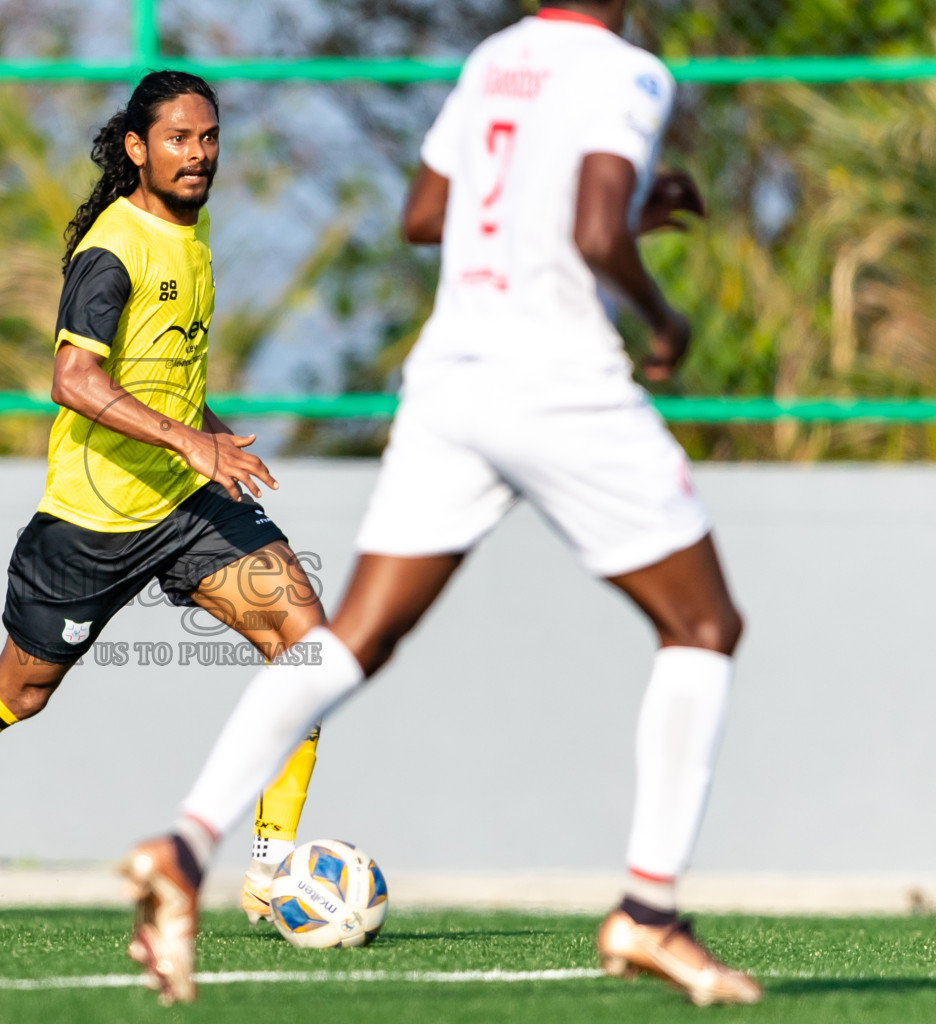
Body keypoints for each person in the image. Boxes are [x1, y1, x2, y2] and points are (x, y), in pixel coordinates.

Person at [123, 0, 762, 1007]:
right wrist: (663, 312)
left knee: (352, 639)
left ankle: (187, 840)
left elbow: (428, 216)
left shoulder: (496, 58)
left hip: (452, 380)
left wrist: (616, 222)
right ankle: (649, 912)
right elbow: (593, 227)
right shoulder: (628, 71)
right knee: (704, 624)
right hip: (559, 381)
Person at [0, 70, 327, 932]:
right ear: (137, 148)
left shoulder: (195, 233)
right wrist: (186, 439)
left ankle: (273, 871)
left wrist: (207, 431)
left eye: (209, 138)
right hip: (91, 522)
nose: (199, 154)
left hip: (186, 507)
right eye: (179, 138)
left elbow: (155, 370)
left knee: (309, 647)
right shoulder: (112, 248)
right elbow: (74, 378)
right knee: (20, 693)